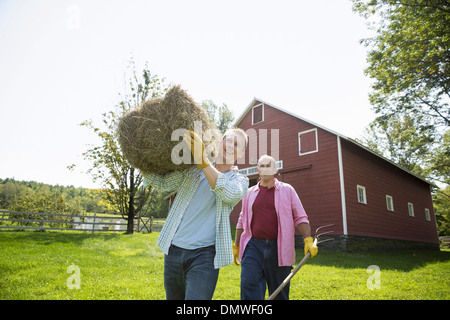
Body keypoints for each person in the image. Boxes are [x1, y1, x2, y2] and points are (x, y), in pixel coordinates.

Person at [143, 128, 249, 300]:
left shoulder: (239, 181)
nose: (231, 145)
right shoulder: (194, 171)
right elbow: (163, 182)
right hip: (174, 250)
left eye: (237, 144)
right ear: (220, 143)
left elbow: (228, 193)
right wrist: (141, 161)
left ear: (242, 153)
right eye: (228, 140)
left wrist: (203, 161)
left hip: (205, 257)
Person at [233, 154, 318, 300]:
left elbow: (300, 216)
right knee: (248, 285)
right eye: (262, 166)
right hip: (253, 246)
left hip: (280, 248)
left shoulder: (287, 190)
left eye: (269, 166)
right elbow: (242, 220)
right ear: (258, 170)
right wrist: (236, 245)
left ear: (275, 169)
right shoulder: (248, 193)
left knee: (280, 292)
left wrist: (308, 239)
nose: (265, 169)